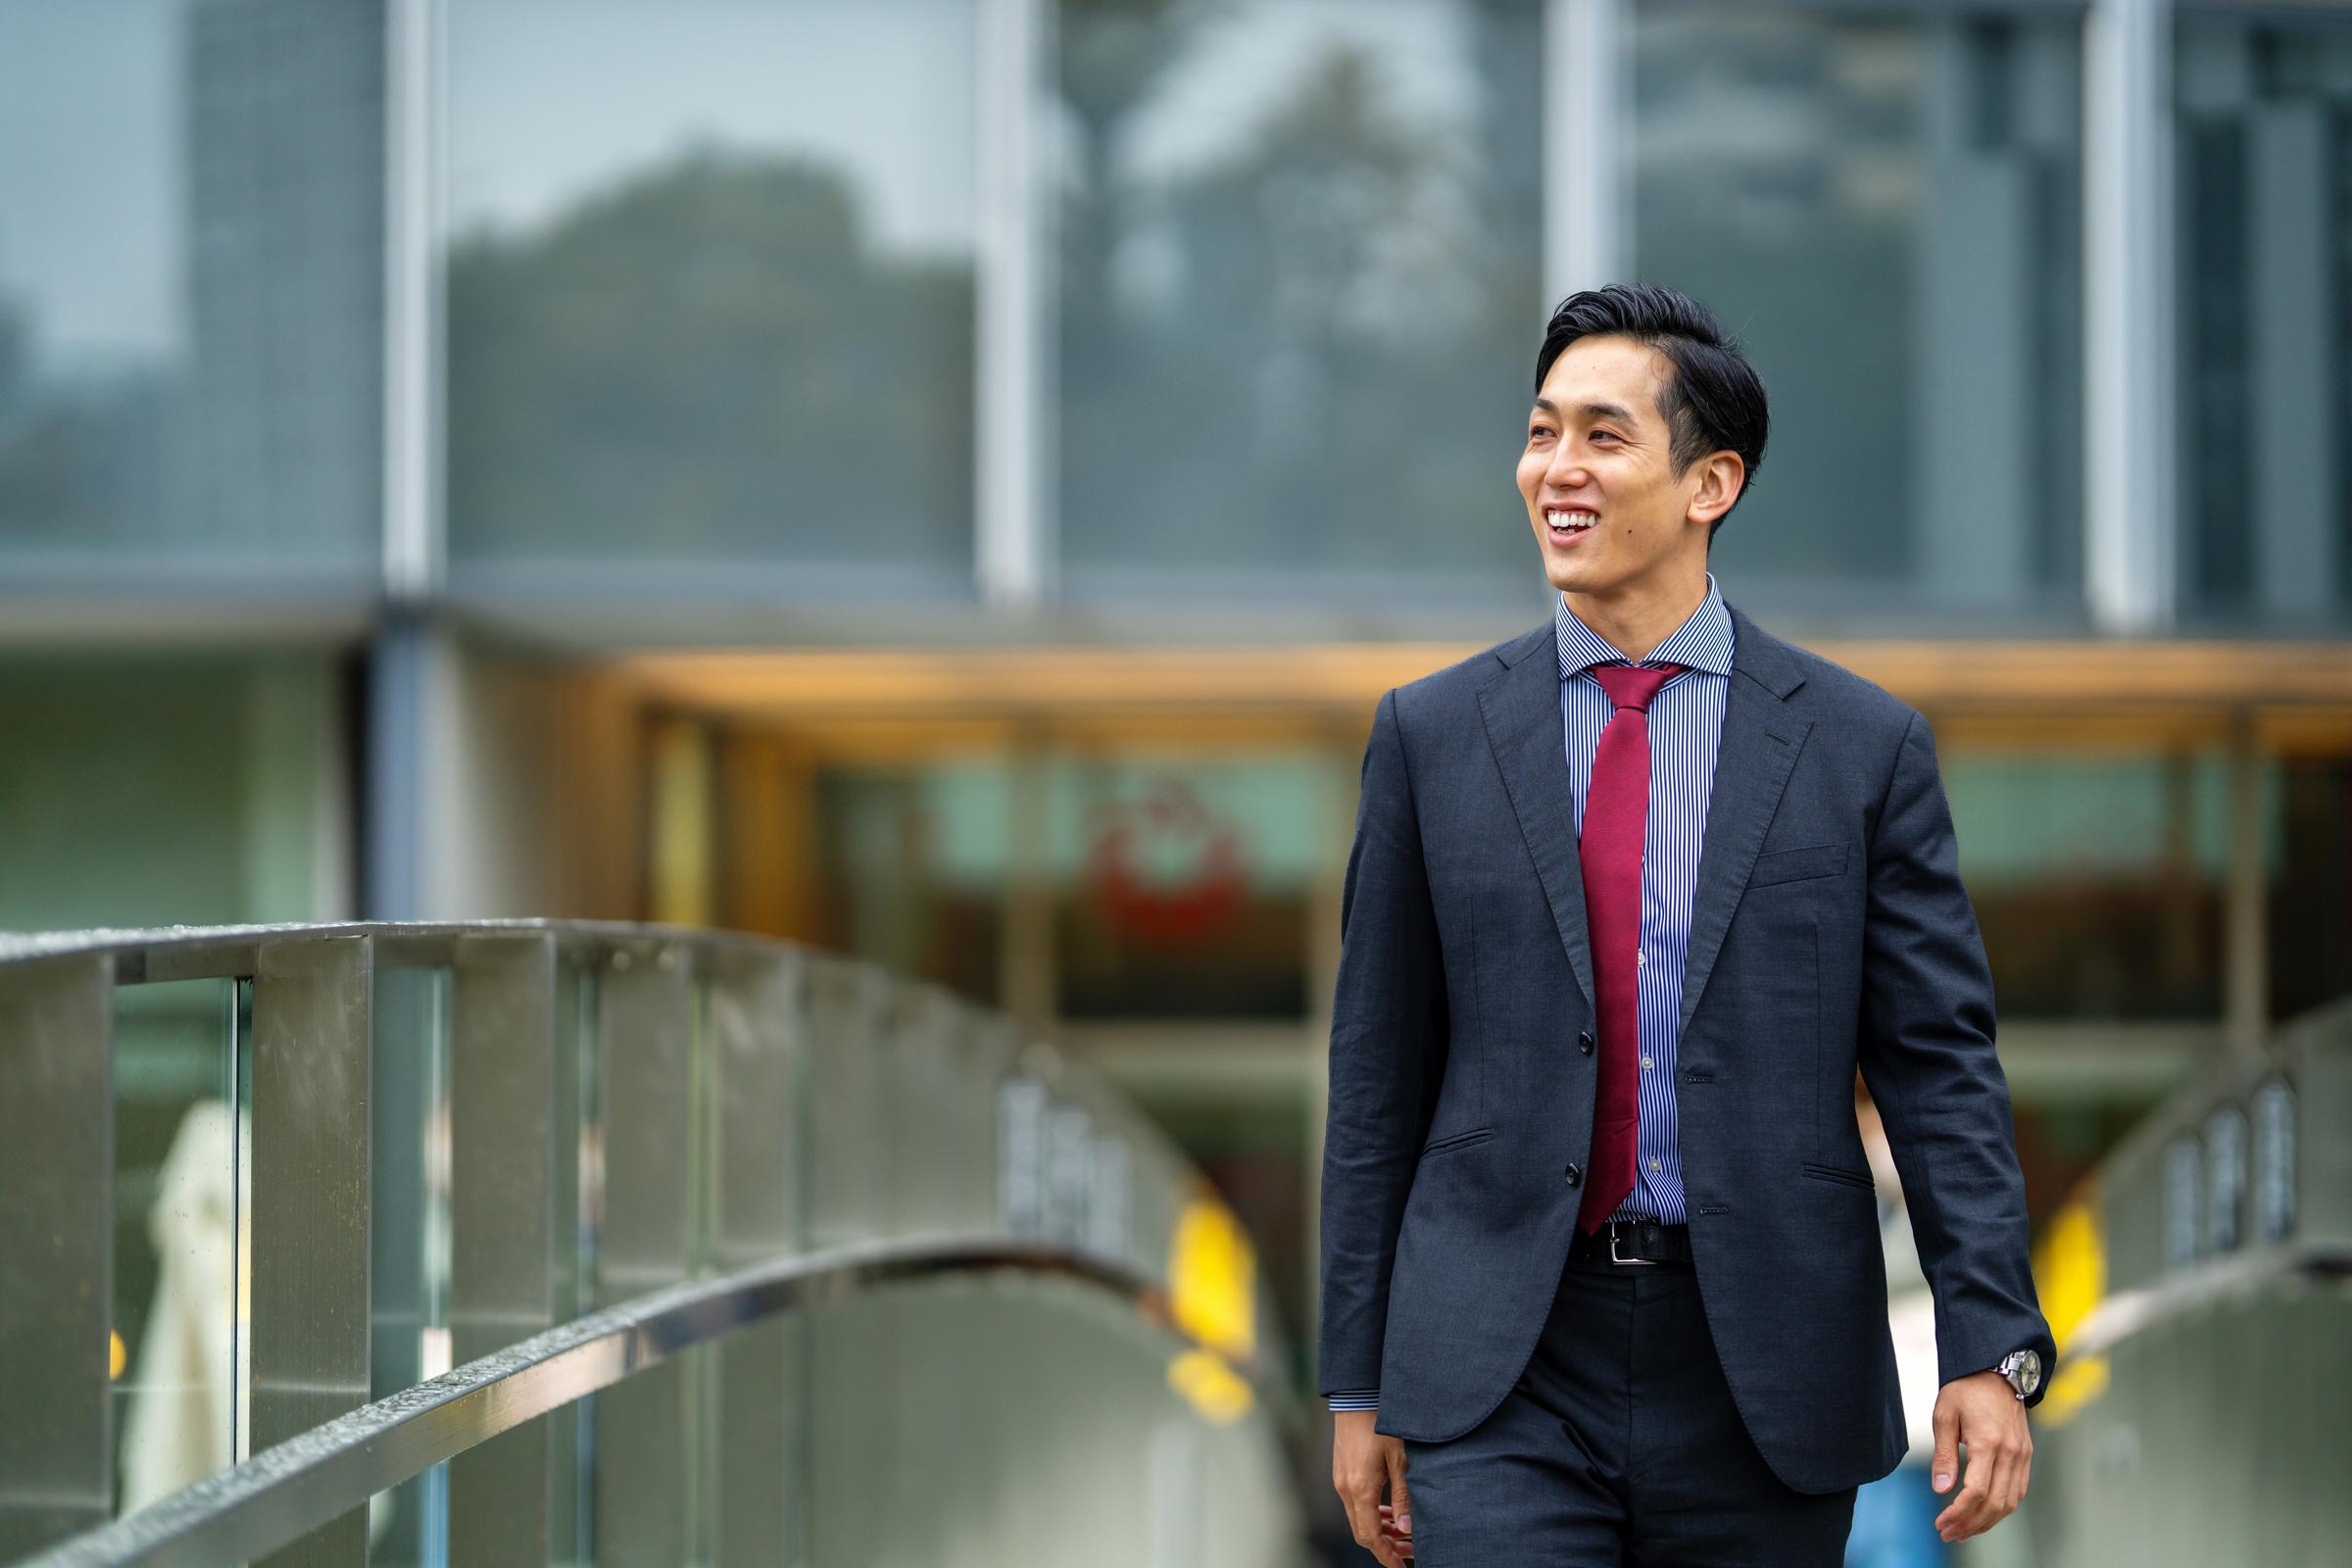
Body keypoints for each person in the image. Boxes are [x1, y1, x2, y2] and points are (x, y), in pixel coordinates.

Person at [1319, 283, 2053, 1566]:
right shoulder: (1429, 739)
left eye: (1604, 437)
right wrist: (1355, 1381)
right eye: (1542, 432)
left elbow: (1939, 1068)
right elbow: (1379, 1080)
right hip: (1502, 1364)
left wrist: (1988, 1342)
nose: (1557, 467)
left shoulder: (1858, 749)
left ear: (1711, 483)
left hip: (1764, 1362)